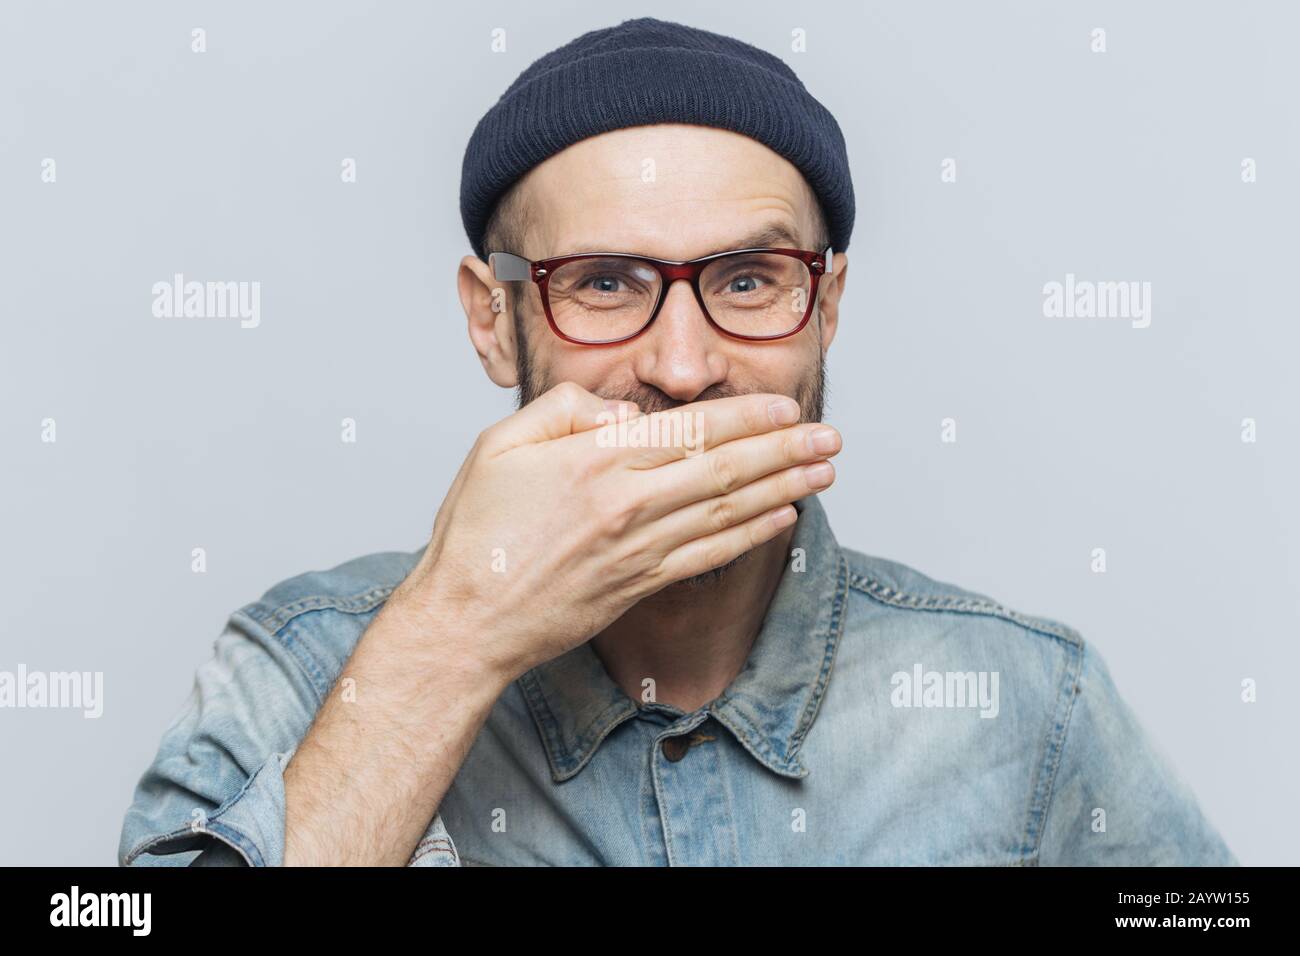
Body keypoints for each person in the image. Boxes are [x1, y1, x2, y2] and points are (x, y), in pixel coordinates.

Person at [119, 16, 1235, 867]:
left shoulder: (1029, 700)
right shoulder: (296, 670)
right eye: (604, 283)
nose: (685, 366)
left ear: (828, 306)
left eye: (749, 280)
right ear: (488, 316)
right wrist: (456, 637)